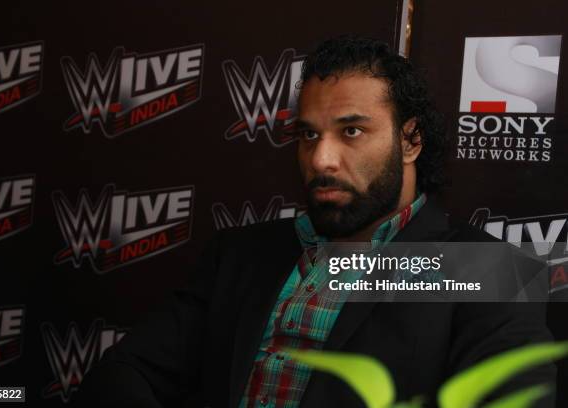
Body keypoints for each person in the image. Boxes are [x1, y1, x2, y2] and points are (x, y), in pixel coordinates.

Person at [77, 35, 555, 407]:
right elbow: (125, 375)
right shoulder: (242, 255)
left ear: (411, 141)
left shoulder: (487, 271)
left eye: (352, 131)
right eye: (308, 134)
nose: (321, 158)